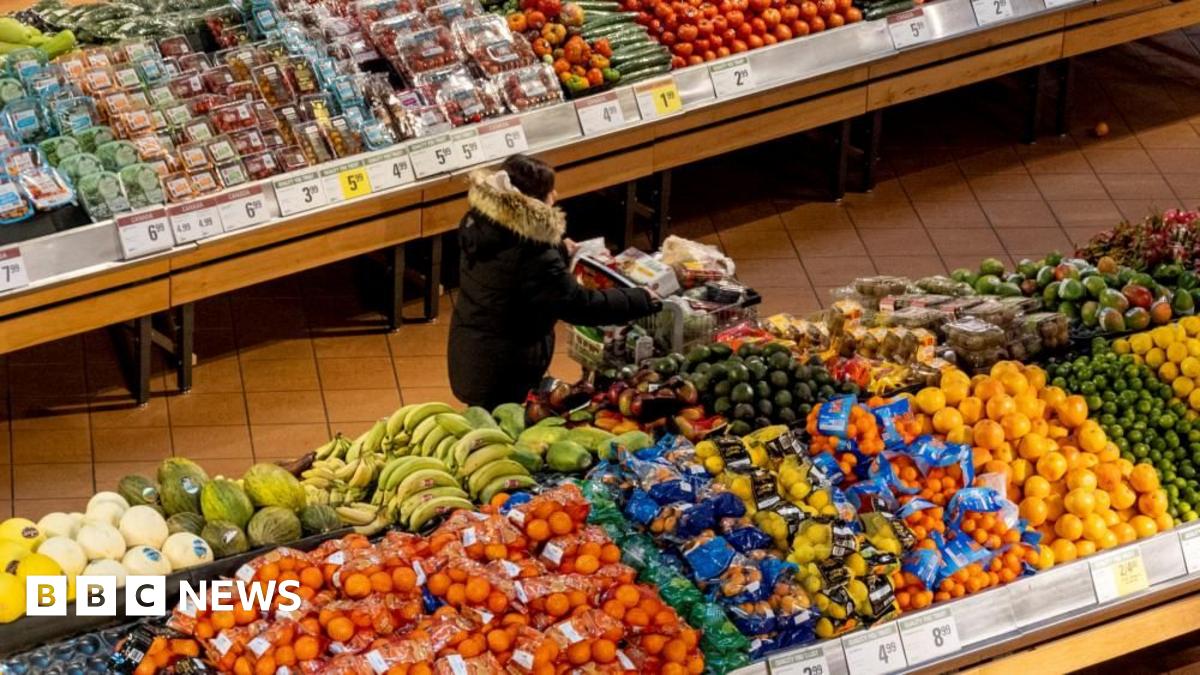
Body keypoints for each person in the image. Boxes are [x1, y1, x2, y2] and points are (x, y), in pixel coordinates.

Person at [448, 154, 661, 409]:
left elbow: (512, 263)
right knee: (504, 430)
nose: (556, 195)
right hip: (505, 369)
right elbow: (579, 304)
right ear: (534, 200)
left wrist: (557, 247)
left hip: (473, 351)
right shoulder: (533, 251)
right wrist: (640, 298)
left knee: (485, 420)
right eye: (550, 191)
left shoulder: (482, 221)